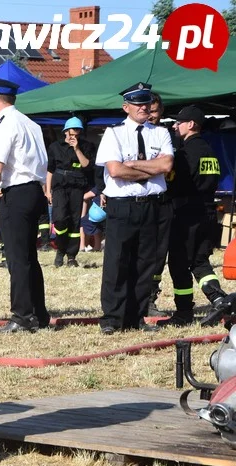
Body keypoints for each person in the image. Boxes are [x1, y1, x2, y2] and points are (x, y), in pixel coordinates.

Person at [94, 82, 173, 334]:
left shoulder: (160, 133)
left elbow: (167, 166)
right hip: (123, 206)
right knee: (117, 262)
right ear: (125, 106)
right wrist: (150, 167)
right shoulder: (114, 133)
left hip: (151, 206)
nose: (144, 107)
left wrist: (134, 166)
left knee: (145, 263)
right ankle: (112, 319)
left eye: (147, 102)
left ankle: (136, 317)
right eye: (138, 103)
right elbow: (115, 170)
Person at [0, 78, 49, 334]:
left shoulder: (4, 125)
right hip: (34, 190)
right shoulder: (30, 123)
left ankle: (22, 316)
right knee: (30, 257)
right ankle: (38, 314)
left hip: (17, 194)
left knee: (17, 259)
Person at [162, 105, 225, 326]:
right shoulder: (209, 151)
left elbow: (173, 184)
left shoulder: (184, 154)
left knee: (179, 263)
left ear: (191, 124)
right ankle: (218, 299)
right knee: (199, 261)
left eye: (179, 122)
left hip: (186, 214)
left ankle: (183, 313)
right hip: (207, 212)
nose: (175, 125)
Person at [46, 117, 96, 268]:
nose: (75, 133)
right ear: (66, 131)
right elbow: (50, 170)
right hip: (59, 187)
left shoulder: (87, 146)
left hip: (77, 187)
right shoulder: (55, 147)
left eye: (78, 130)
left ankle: (71, 256)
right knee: (60, 219)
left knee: (75, 222)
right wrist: (48, 191)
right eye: (73, 130)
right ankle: (60, 250)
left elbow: (86, 165)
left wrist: (77, 149)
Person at [146, 93, 178, 316]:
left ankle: (150, 298)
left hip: (164, 202)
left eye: (154, 111)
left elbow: (169, 167)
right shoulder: (128, 134)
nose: (150, 116)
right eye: (147, 111)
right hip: (136, 202)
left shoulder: (168, 137)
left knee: (157, 256)